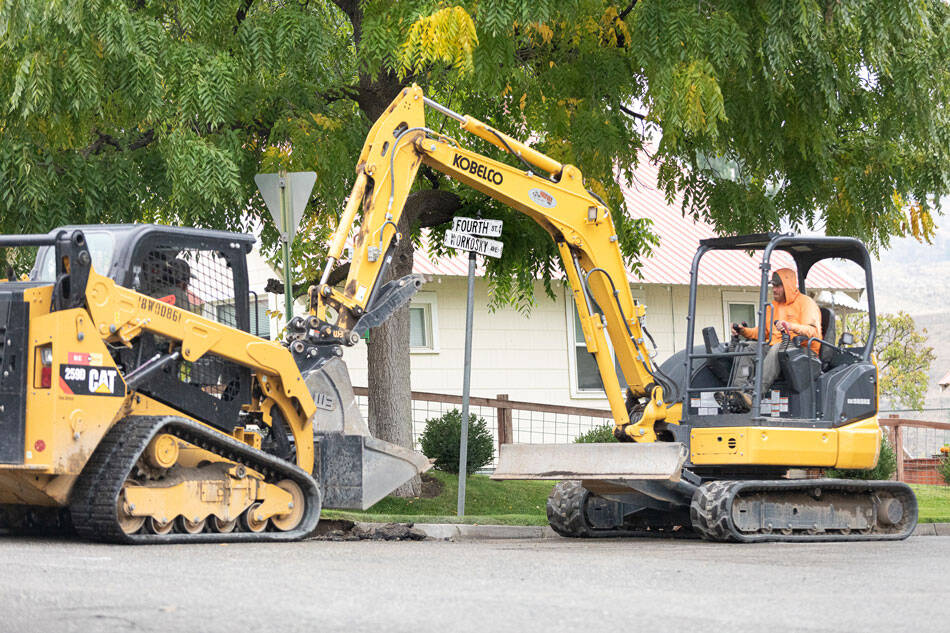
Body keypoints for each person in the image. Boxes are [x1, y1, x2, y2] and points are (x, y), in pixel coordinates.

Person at [718, 267, 822, 412]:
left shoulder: (806, 303)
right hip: (779, 349)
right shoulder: (772, 306)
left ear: (788, 286)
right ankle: (737, 392)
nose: (775, 289)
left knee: (777, 348)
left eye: (778, 286)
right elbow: (762, 333)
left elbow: (813, 331)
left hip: (804, 352)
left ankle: (754, 394)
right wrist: (743, 331)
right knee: (750, 348)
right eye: (773, 286)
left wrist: (791, 326)